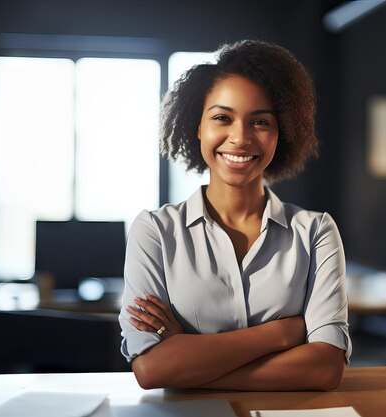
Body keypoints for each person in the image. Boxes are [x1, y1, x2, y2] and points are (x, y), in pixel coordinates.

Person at [119, 40, 351, 391]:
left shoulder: (316, 232)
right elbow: (151, 370)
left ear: (280, 133)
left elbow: (325, 369)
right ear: (198, 126)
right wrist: (283, 332)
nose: (240, 138)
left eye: (260, 121)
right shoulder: (154, 232)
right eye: (222, 118)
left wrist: (188, 361)